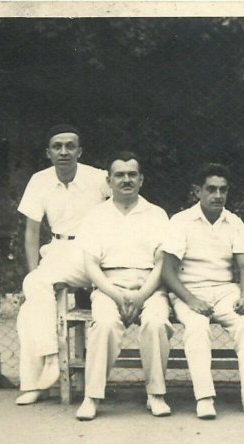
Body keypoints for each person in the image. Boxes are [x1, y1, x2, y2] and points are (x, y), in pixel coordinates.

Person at [162, 163, 244, 419]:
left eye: (223, 190)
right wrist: (191, 300)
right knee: (197, 327)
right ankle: (204, 398)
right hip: (189, 290)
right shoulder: (181, 221)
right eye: (211, 189)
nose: (217, 195)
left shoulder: (234, 222)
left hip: (226, 290)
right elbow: (167, 270)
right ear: (198, 192)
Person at [14, 124, 110, 405]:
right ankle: (48, 366)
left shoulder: (99, 178)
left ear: (80, 151)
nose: (64, 151)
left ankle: (48, 366)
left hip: (94, 251)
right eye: (57, 146)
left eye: (70, 146)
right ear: (48, 152)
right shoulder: (39, 180)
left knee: (32, 302)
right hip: (58, 250)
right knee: (32, 294)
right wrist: (34, 272)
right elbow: (32, 233)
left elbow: (123, 205)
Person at [74, 152, 172, 421]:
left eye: (132, 174)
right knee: (104, 324)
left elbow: (162, 262)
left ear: (141, 179)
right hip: (109, 285)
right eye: (119, 175)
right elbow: (91, 265)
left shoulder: (157, 214)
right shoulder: (96, 216)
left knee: (155, 323)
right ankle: (92, 397)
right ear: (109, 180)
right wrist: (116, 294)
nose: (126, 180)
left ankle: (156, 394)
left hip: (149, 286)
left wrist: (141, 295)